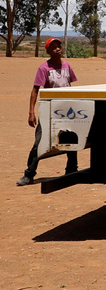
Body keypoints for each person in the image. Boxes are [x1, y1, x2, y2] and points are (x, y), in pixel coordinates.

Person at [19, 38, 78, 186]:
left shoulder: (67, 66)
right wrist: (31, 112)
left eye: (59, 47)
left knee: (71, 140)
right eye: (53, 48)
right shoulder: (44, 68)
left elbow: (71, 87)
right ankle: (29, 174)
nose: (57, 49)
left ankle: (72, 170)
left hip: (66, 110)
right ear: (48, 52)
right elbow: (35, 90)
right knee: (40, 142)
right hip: (49, 111)